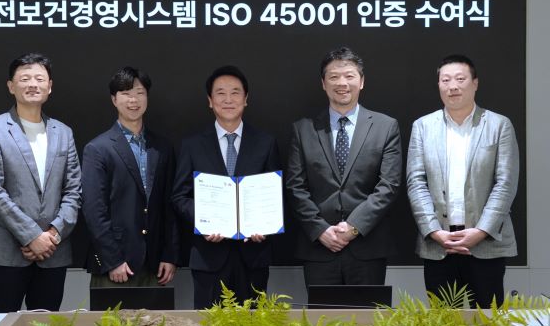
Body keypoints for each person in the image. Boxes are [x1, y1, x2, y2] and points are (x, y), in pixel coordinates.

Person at [407, 54, 519, 308]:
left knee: (487, 322)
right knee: (444, 324)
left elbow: (505, 184)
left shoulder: (499, 125)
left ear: (475, 83)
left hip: (485, 245)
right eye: (445, 80)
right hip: (439, 246)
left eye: (460, 79)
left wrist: (480, 231)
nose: (453, 86)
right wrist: (434, 231)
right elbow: (416, 182)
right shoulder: (423, 126)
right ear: (438, 85)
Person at [0, 53, 81, 312]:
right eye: (25, 79)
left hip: (53, 253)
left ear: (49, 86)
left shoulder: (63, 133)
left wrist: (52, 235)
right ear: (11, 86)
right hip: (6, 253)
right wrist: (32, 236)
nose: (33, 84)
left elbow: (74, 191)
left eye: (39, 79)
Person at [286, 47, 402, 289]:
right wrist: (320, 230)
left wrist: (354, 227)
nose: (342, 83)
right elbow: (295, 187)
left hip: (368, 247)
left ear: (362, 81)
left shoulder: (386, 126)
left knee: (367, 314)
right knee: (321, 315)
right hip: (319, 248)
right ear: (323, 83)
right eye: (334, 76)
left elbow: (388, 185)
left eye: (349, 76)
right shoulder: (303, 129)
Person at [171, 65, 281, 309]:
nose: (228, 100)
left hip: (253, 256)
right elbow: (180, 196)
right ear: (210, 101)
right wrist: (203, 220)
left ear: (246, 99)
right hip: (208, 257)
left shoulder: (265, 143)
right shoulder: (192, 145)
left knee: (254, 325)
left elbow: (275, 195)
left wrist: (265, 226)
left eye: (235, 92)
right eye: (220, 93)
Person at [81, 67, 178, 290]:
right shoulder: (98, 149)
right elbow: (94, 210)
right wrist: (112, 260)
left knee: (158, 315)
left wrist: (170, 254)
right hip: (115, 266)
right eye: (125, 93)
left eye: (139, 93)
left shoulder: (162, 147)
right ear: (114, 99)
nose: (133, 100)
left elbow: (170, 206)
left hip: (156, 265)